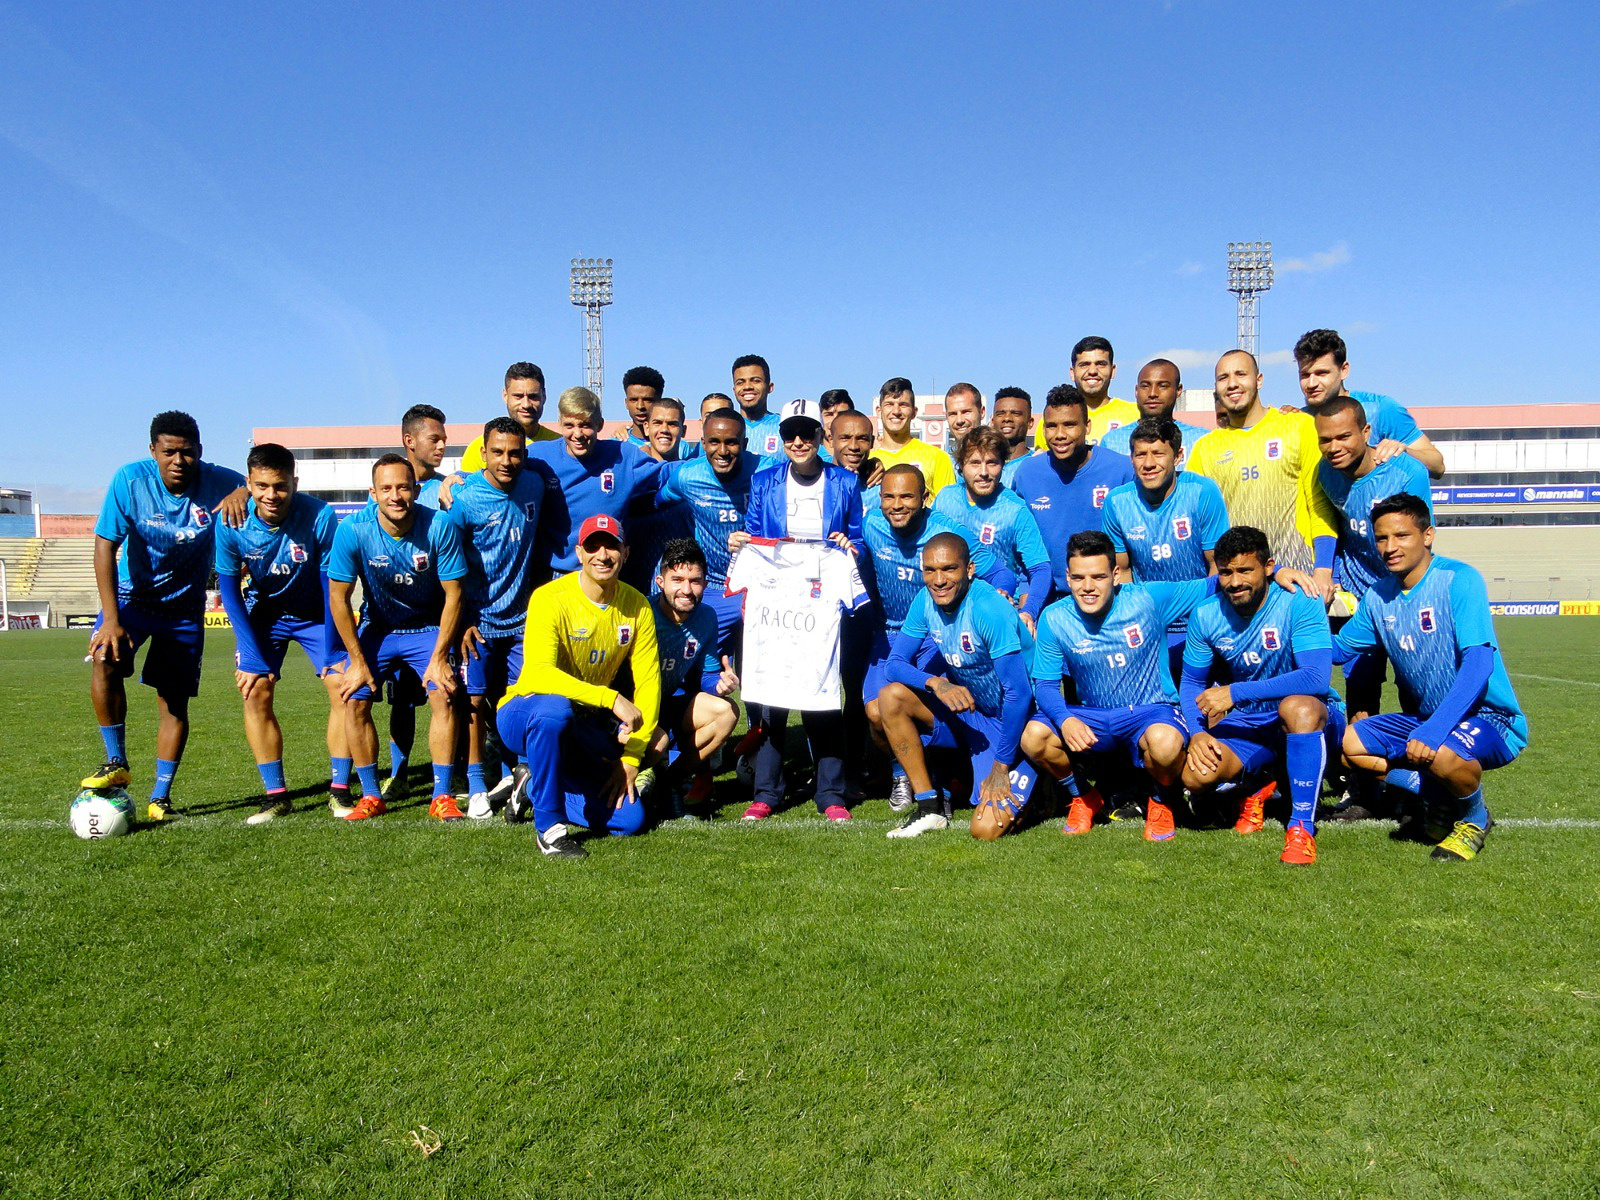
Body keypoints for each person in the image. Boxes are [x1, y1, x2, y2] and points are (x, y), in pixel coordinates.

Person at [1332, 493, 1527, 862]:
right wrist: (1294, 623)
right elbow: (1340, 649)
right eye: (1381, 538)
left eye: (1401, 536)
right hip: (1426, 720)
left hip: (1490, 718)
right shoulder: (1378, 596)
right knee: (1349, 745)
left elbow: (1478, 664)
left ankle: (1474, 819)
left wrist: (1434, 730)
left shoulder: (1459, 579)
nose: (1390, 547)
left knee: (1443, 754)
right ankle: (1435, 794)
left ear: (1428, 535)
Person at [82, 412, 247, 820]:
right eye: (169, 451)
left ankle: (160, 798)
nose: (178, 460)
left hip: (183, 609)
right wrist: (111, 619)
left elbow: (259, 484)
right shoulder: (130, 480)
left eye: (187, 452)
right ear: (153, 450)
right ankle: (116, 762)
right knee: (103, 659)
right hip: (132, 599)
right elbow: (104, 546)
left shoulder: (220, 481)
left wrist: (244, 491)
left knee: (173, 702)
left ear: (199, 452)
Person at [1022, 531, 1212, 842]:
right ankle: (1083, 797)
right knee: (1034, 737)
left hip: (1151, 712)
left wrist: (1279, 573)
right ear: (1067, 577)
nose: (1088, 587)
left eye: (1098, 577)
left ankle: (1161, 801)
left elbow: (1217, 584)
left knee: (1165, 745)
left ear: (1115, 575)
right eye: (1079, 578)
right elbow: (1044, 685)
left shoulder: (1148, 599)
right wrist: (1065, 719)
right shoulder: (1054, 618)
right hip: (1093, 717)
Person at [731, 398, 866, 821]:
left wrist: (850, 548)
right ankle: (767, 792)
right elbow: (754, 535)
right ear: (782, 437)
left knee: (821, 694)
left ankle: (831, 793)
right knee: (772, 699)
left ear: (820, 436)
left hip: (821, 602)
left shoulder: (845, 482)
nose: (799, 441)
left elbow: (859, 541)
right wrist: (741, 543)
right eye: (791, 433)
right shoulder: (765, 481)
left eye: (807, 433)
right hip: (777, 600)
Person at [1179, 526, 1345, 866]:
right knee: (1196, 775)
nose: (1235, 582)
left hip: (1313, 717)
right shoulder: (1206, 614)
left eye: (1245, 570)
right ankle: (1260, 782)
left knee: (1297, 707)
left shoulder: (1301, 600)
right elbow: (1192, 682)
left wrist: (1236, 692)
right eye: (1226, 572)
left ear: (1269, 567)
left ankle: (1301, 826)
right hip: (1252, 722)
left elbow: (1315, 677)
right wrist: (1196, 734)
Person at [497, 514, 661, 858]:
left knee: (630, 819)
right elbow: (539, 673)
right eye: (593, 546)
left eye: (611, 546)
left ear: (626, 553)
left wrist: (632, 757)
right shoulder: (550, 597)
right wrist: (610, 697)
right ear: (579, 553)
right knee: (554, 709)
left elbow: (649, 683)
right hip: (524, 712)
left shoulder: (637, 606)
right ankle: (550, 830)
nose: (602, 555)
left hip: (584, 725)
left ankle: (533, 786)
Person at [326, 454, 467, 821]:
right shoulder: (353, 530)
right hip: (379, 630)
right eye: (386, 488)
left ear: (416, 491)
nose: (395, 496)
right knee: (353, 697)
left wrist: (440, 657)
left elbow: (454, 595)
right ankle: (371, 795)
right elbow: (338, 597)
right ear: (372, 493)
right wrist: (357, 661)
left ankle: (442, 795)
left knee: (443, 693)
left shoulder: (439, 525)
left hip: (428, 629)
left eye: (403, 487)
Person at [861, 463, 1009, 808]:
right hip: (888, 633)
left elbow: (1000, 573)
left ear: (925, 497)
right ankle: (903, 771)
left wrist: (1001, 599)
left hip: (937, 635)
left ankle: (945, 778)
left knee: (933, 707)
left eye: (906, 496)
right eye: (889, 497)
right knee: (875, 712)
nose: (897, 505)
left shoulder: (947, 532)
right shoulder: (871, 524)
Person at [214, 443, 345, 824]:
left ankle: (339, 791)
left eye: (280, 486)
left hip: (315, 615)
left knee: (343, 686)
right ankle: (276, 797)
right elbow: (229, 592)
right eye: (262, 486)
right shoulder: (232, 521)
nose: (271, 495)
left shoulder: (320, 515)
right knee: (254, 689)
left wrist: (333, 649)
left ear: (294, 483)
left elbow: (331, 586)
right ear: (249, 484)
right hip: (265, 615)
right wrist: (250, 653)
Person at [877, 533, 1038, 839]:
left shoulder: (988, 608)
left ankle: (1040, 782)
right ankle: (929, 808)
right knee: (891, 697)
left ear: (969, 569)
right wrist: (936, 683)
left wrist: (1001, 767)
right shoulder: (925, 600)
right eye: (930, 570)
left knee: (985, 830)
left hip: (1016, 724)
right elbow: (894, 664)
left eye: (949, 569)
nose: (938, 580)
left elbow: (1019, 695)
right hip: (973, 715)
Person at [448, 417, 551, 819]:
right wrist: (461, 620)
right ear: (483, 453)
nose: (506, 460)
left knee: (522, 698)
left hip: (524, 620)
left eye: (514, 453)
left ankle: (519, 774)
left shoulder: (534, 485)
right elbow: (449, 565)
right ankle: (476, 783)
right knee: (474, 701)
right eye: (497, 452)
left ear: (524, 453)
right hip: (478, 623)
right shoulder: (464, 499)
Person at [1186, 350, 1338, 595]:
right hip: (1239, 585)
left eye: (1241, 374)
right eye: (1223, 377)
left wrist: (1323, 569)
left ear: (1259, 380)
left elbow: (1319, 503)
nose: (1232, 383)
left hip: (1300, 577)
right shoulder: (1205, 448)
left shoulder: (1299, 426)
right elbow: (1201, 527)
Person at [1101, 418, 1229, 675]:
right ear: (1131, 458)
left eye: (1158, 453)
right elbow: (1122, 572)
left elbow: (1217, 565)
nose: (1148, 463)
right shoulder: (1117, 502)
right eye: (1140, 454)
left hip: (1200, 621)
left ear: (1178, 456)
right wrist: (1136, 623)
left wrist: (1205, 623)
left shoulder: (1202, 491)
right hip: (1151, 625)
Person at [654, 409, 760, 688]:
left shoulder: (766, 472)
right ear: (703, 443)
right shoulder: (688, 476)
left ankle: (763, 721)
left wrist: (865, 470)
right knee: (702, 674)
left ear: (745, 443)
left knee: (762, 677)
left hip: (759, 588)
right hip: (712, 588)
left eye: (731, 442)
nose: (722, 451)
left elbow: (814, 470)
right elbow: (653, 504)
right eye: (714, 442)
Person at [643, 539, 740, 816]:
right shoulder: (643, 613)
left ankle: (670, 781)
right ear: (660, 581)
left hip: (670, 704)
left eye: (695, 581)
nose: (686, 590)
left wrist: (719, 685)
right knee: (655, 744)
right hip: (636, 708)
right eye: (677, 580)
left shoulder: (707, 617)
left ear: (705, 584)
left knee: (726, 713)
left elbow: (706, 676)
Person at [1010, 385, 1135, 601]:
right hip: (1045, 599)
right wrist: (1027, 600)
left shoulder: (1121, 470)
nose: (1060, 434)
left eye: (1069, 425)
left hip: (1107, 598)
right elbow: (1022, 547)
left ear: (1087, 426)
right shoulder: (1027, 474)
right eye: (1052, 426)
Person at [528, 386, 664, 577]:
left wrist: (702, 466)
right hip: (553, 574)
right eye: (569, 425)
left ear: (599, 424)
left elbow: (668, 473)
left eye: (585, 425)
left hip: (606, 569)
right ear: (560, 424)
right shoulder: (538, 456)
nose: (577, 434)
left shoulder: (624, 456)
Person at [932, 426, 1052, 627]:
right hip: (950, 613)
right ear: (961, 465)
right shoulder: (945, 499)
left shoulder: (1015, 510)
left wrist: (1028, 612)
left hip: (998, 611)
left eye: (992, 463)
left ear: (1003, 465)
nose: (984, 472)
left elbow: (1040, 568)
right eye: (975, 463)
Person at [1294, 329, 1445, 479]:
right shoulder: (1299, 419)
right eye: (1305, 375)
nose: (1311, 383)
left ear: (1344, 370)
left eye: (1321, 373)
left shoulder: (1381, 409)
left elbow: (1438, 466)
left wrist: (1403, 451)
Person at [1033, 336, 1139, 449]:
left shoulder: (1136, 414)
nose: (1092, 371)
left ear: (1112, 371)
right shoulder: (1051, 420)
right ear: (1072, 372)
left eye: (1100, 364)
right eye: (1084, 365)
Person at [1098, 360, 1210, 465]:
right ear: (1136, 391)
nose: (1152, 393)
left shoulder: (1202, 439)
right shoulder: (1111, 441)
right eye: (1145, 386)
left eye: (1163, 386)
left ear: (1178, 390)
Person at [456, 362, 559, 474]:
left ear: (544, 396)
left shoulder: (561, 446)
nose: (526, 404)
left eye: (533, 396)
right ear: (505, 396)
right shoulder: (479, 448)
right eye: (518, 396)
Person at [873, 377, 957, 497]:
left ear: (914, 412)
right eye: (889, 404)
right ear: (879, 411)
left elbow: (947, 504)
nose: (896, 411)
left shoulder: (937, 458)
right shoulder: (868, 460)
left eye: (903, 405)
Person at [828, 409, 881, 515]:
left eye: (862, 439)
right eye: (845, 438)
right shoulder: (817, 480)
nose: (853, 446)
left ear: (872, 442)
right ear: (831, 440)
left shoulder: (881, 490)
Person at [732, 354, 784, 458]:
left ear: (770, 387)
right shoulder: (725, 428)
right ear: (734, 390)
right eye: (740, 382)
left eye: (756, 381)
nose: (747, 386)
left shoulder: (785, 426)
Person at [990, 386, 1035, 486]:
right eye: (1000, 414)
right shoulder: (979, 466)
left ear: (1030, 422)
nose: (1007, 418)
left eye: (1016, 413)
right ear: (992, 421)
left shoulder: (1037, 464)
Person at [618, 365, 666, 450]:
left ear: (659, 402)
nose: (640, 406)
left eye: (647, 400)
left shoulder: (679, 446)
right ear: (626, 403)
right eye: (634, 400)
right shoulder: (615, 446)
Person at [941, 383, 984, 457]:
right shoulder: (942, 461)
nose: (959, 420)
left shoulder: (999, 456)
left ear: (982, 412)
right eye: (953, 414)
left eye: (966, 412)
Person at [818, 388, 857, 462]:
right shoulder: (810, 456)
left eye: (842, 414)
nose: (835, 420)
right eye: (829, 414)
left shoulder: (863, 454)